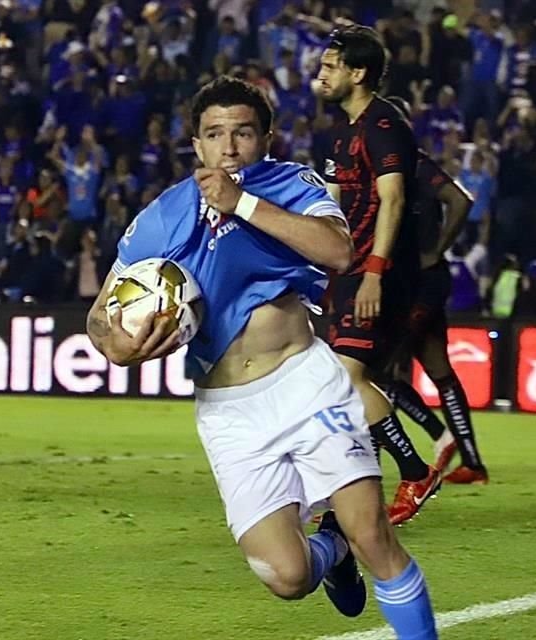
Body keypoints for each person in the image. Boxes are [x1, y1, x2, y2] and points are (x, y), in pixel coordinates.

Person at [85, 76, 437, 640]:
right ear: (196, 145)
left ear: (266, 138)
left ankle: (370, 567)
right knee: (288, 575)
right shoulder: (162, 215)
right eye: (214, 135)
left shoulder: (292, 184)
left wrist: (242, 203)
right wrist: (117, 345)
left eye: (242, 133)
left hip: (304, 382)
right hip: (228, 411)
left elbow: (340, 251)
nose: (228, 147)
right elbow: (103, 312)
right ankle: (332, 552)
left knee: (374, 533)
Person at [315, 26, 442, 525]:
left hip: (379, 272)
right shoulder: (342, 132)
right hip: (349, 269)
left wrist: (373, 274)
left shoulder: (383, 126)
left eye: (330, 66)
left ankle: (415, 471)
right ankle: (347, 494)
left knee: (346, 378)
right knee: (346, 381)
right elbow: (333, 203)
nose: (321, 74)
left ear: (357, 73)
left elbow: (394, 199)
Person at [383, 95, 489, 487]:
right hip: (414, 279)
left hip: (421, 280)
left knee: (379, 369)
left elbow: (460, 201)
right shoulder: (395, 165)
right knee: (437, 368)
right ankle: (472, 462)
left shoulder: (411, 163)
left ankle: (437, 436)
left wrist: (435, 250)